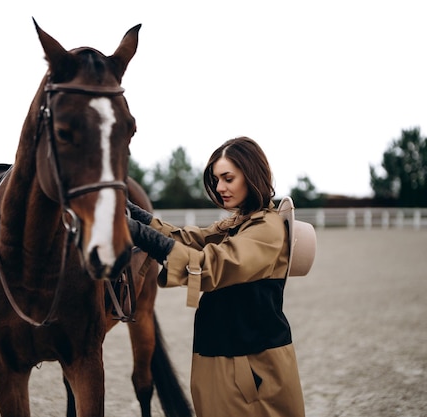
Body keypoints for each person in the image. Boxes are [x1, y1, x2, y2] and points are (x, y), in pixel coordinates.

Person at [127, 136, 307, 417]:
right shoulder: (240, 222)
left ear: (251, 175)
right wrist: (134, 214)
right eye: (216, 179)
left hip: (249, 371)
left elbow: (209, 266)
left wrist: (136, 233)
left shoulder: (266, 230)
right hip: (225, 358)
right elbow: (189, 239)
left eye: (228, 178)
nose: (220, 187)